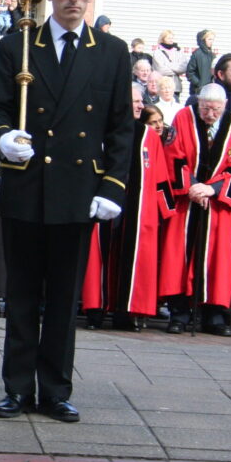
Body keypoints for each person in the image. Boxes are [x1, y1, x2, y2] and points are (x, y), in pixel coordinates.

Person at [0, 0, 132, 423]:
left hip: (77, 192)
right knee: (22, 293)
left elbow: (119, 128)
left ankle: (55, 390)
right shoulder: (18, 46)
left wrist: (112, 187)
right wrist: (4, 139)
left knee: (65, 298)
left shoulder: (110, 52)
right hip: (28, 186)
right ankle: (16, 387)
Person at [82, 86, 174, 331]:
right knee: (99, 255)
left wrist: (165, 212)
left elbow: (159, 176)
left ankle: (126, 311)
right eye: (134, 101)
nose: (140, 106)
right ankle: (95, 310)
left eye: (141, 101)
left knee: (130, 255)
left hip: (137, 206)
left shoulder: (148, 136)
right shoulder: (98, 127)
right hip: (100, 200)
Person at [160, 83, 231, 336]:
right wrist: (194, 187)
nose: (210, 114)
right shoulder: (182, 118)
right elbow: (173, 156)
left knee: (217, 259)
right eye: (206, 108)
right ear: (198, 104)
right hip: (188, 202)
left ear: (224, 106)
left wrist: (214, 189)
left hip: (217, 205)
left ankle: (214, 315)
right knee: (178, 256)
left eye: (215, 109)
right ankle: (179, 313)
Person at [152, 29, 186, 99]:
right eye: (168, 38)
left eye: (172, 38)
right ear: (163, 39)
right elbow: (160, 70)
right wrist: (175, 70)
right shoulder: (158, 52)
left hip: (176, 87)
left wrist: (168, 65)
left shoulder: (178, 52)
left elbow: (183, 68)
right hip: (162, 86)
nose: (171, 40)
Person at [186, 29, 215, 97]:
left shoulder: (211, 55)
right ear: (203, 40)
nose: (211, 42)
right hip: (197, 91)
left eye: (212, 39)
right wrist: (199, 83)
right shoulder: (197, 54)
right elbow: (189, 73)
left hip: (209, 90)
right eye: (209, 39)